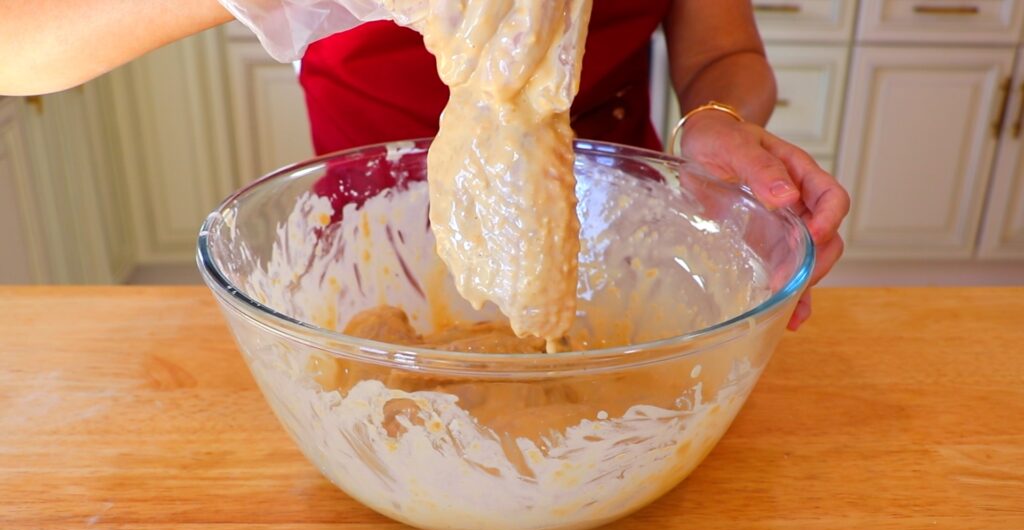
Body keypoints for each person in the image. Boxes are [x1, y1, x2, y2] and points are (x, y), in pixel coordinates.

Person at [0, 0, 848, 330]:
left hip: (617, 227)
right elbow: (18, 44)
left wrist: (716, 121)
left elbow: (726, 53)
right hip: (369, 250)